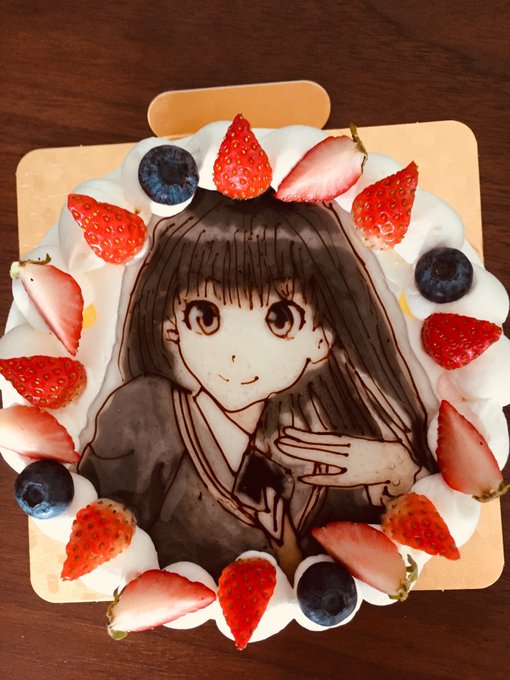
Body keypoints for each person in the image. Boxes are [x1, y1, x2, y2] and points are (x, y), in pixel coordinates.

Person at [78, 188, 436, 578]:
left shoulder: (327, 453)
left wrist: (395, 467)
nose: (237, 353)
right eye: (205, 316)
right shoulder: (146, 414)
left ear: (322, 340)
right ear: (171, 327)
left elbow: (332, 577)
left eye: (280, 320)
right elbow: (100, 524)